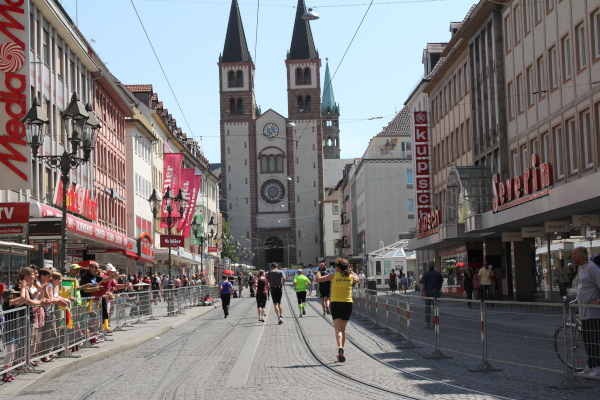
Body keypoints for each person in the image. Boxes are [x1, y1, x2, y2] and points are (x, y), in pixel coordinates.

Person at [315, 258, 359, 362]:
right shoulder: (350, 277)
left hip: (335, 303)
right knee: (343, 329)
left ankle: (340, 347)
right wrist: (350, 271)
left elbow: (317, 279)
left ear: (338, 267)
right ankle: (341, 351)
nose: (335, 267)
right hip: (347, 303)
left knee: (338, 329)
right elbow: (357, 278)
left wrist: (320, 269)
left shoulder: (333, 276)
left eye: (336, 266)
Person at [573, 247, 600, 377]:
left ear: (581, 256)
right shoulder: (581, 268)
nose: (572, 256)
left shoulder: (592, 268)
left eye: (574, 254)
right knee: (588, 341)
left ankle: (597, 367)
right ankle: (591, 366)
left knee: (594, 341)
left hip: (593, 313)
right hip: (584, 312)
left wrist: (598, 301)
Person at [420, 261, 443, 328]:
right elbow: (441, 282)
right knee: (436, 308)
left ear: (428, 266)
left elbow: (423, 284)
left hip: (428, 292)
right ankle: (435, 323)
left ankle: (428, 323)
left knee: (428, 308)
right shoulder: (438, 273)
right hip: (436, 292)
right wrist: (438, 289)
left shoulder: (425, 274)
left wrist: (422, 293)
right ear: (434, 266)